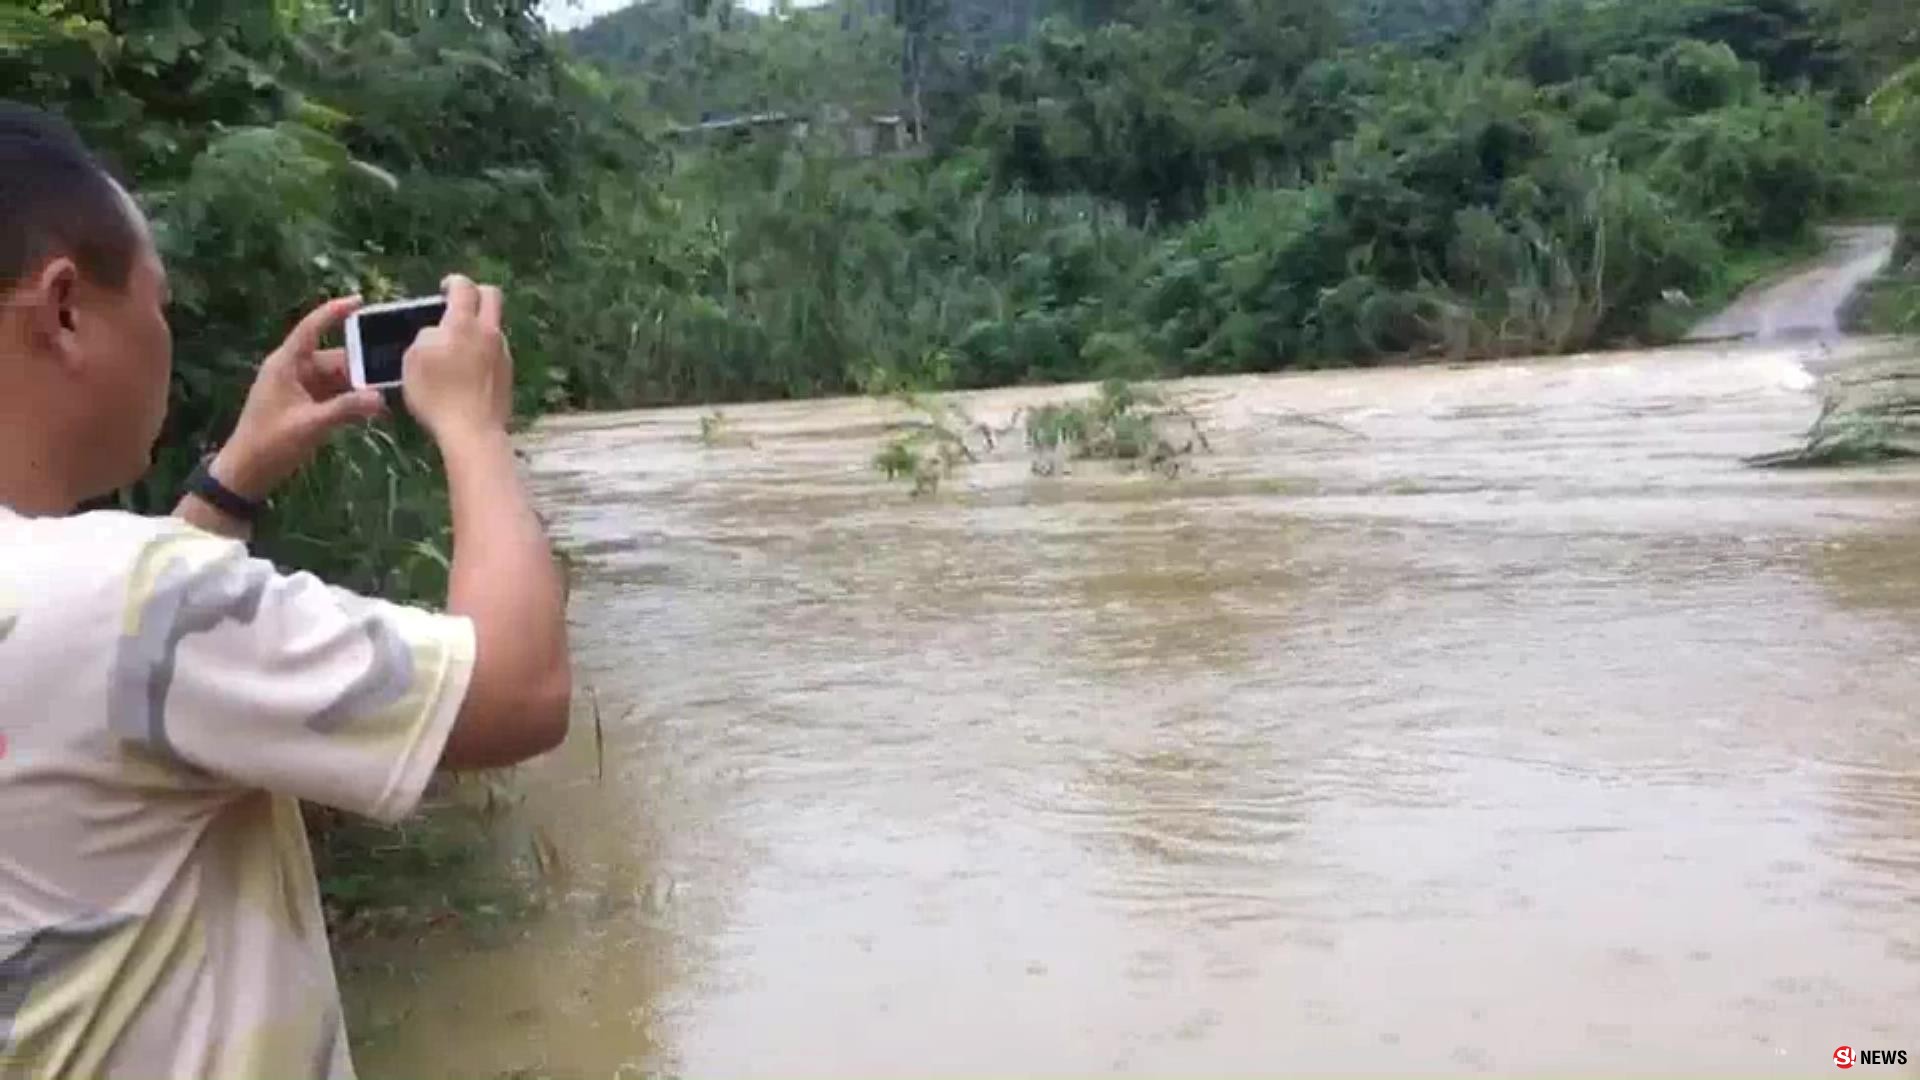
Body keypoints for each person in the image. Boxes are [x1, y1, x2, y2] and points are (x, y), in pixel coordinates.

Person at [0, 103, 572, 1079]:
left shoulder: (85, 608)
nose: (164, 335)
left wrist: (234, 479)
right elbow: (518, 692)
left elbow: (94, 685)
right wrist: (473, 425)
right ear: (64, 310)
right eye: (159, 303)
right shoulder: (130, 601)